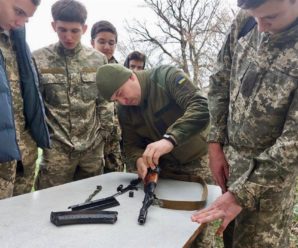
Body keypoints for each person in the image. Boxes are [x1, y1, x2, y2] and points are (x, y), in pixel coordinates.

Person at [191, 0, 298, 247]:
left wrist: (241, 194)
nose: (260, 27)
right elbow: (220, 79)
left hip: (268, 188)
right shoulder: (246, 20)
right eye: (254, 17)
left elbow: (292, 145)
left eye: (270, 17)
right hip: (229, 167)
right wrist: (215, 144)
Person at [96, 64, 213, 248]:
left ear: (131, 77)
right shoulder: (124, 109)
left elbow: (201, 107)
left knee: (198, 230)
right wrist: (138, 160)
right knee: (166, 228)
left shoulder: (165, 77)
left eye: (120, 92)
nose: (122, 101)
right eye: (115, 99)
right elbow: (130, 145)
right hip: (164, 170)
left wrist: (170, 139)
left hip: (197, 162)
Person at [33, 0, 112, 189]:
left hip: (92, 148)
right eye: (62, 29)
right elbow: (36, 103)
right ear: (54, 26)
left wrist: (103, 134)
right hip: (57, 148)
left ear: (84, 29)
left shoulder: (98, 59)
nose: (68, 36)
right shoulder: (38, 59)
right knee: (50, 203)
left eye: (74, 31)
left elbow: (105, 101)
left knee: (89, 201)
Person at [0, 0, 50, 199]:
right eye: (18, 12)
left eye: (27, 19)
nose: (20, 22)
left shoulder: (16, 37)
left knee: (20, 221)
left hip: (24, 155)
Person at [91, 20, 123, 173]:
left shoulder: (123, 72)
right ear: (92, 43)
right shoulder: (85, 69)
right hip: (89, 142)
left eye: (111, 43)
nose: (106, 47)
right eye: (101, 42)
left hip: (114, 140)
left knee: (115, 182)